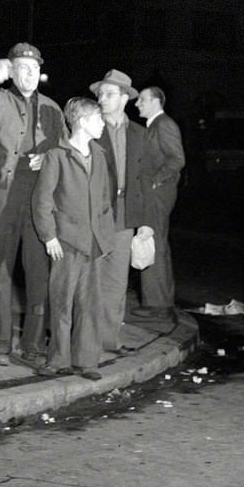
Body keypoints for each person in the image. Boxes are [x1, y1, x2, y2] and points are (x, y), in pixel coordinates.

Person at [0, 42, 66, 367]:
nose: (30, 74)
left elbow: (65, 148)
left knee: (38, 274)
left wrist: (49, 155)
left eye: (34, 68)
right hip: (2, 195)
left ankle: (33, 344)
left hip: (39, 199)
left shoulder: (53, 108)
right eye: (22, 68)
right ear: (10, 71)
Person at [32, 96, 115, 380]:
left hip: (93, 242)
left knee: (90, 303)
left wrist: (106, 238)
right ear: (81, 121)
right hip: (66, 242)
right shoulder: (57, 157)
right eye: (98, 119)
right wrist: (49, 236)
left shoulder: (100, 156)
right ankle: (58, 359)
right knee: (61, 302)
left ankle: (87, 360)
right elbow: (42, 201)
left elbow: (105, 200)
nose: (103, 124)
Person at [90, 68, 154, 352]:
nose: (102, 98)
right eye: (100, 94)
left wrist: (146, 222)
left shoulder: (140, 134)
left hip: (125, 213)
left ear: (125, 97)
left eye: (109, 94)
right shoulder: (91, 127)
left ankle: (109, 340)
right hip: (94, 214)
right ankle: (86, 341)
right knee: (90, 279)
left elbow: (144, 179)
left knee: (117, 282)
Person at [135, 86, 185, 319]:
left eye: (142, 100)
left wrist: (156, 180)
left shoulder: (164, 125)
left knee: (153, 242)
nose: (137, 104)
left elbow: (177, 159)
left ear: (156, 101)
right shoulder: (154, 125)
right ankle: (159, 301)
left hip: (158, 193)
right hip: (154, 192)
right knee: (155, 242)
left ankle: (157, 304)